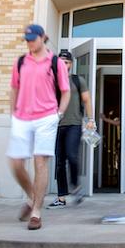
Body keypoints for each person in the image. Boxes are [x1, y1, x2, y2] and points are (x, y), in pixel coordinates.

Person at [8, 24, 70, 230]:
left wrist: (58, 114)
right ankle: (33, 196)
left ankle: (36, 211)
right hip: (22, 118)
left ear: (43, 37)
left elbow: (65, 91)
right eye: (26, 39)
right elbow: (14, 89)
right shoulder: (20, 62)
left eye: (33, 38)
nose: (29, 43)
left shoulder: (55, 63)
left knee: (40, 163)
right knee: (16, 164)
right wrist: (13, 113)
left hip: (46, 117)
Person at [47, 50, 96, 208]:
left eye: (66, 62)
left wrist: (91, 119)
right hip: (57, 126)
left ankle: (75, 186)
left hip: (74, 124)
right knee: (60, 162)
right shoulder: (52, 81)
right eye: (61, 62)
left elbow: (87, 100)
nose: (64, 65)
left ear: (71, 64)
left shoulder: (77, 80)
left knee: (72, 156)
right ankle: (61, 198)